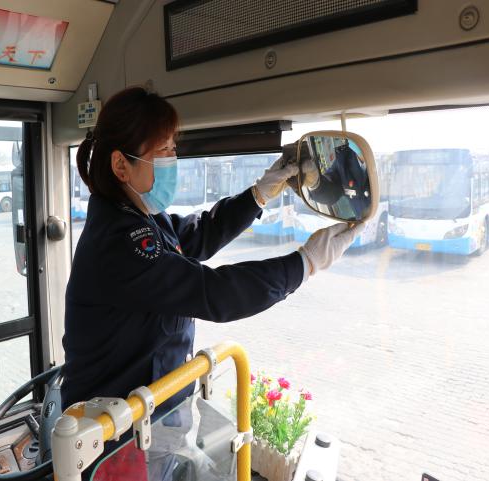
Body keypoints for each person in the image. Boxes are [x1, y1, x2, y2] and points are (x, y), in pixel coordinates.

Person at [60, 86, 362, 476]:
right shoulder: (119, 243)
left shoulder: (139, 217)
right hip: (117, 440)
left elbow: (198, 234)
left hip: (150, 419)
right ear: (121, 165)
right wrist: (305, 263)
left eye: (174, 148)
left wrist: (258, 195)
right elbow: (214, 292)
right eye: (163, 151)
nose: (173, 160)